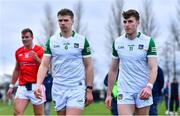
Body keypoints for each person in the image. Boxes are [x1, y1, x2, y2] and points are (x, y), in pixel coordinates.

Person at [34, 8, 94, 115]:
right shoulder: (52, 41)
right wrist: (38, 84)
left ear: (72, 21)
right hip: (58, 88)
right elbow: (44, 65)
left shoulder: (82, 40)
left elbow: (89, 66)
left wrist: (89, 89)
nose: (63, 23)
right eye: (60, 20)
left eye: (66, 20)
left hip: (76, 87)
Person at [105, 9, 158, 115]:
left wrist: (149, 87)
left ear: (138, 22)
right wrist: (109, 94)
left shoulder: (148, 42)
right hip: (124, 90)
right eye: (125, 22)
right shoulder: (117, 42)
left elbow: (153, 68)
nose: (127, 25)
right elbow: (113, 69)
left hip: (142, 90)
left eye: (130, 21)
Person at [7, 28, 45, 115]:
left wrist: (36, 59)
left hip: (37, 86)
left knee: (39, 114)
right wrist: (11, 86)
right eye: (23, 37)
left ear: (32, 37)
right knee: (17, 113)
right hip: (22, 87)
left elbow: (45, 68)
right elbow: (17, 69)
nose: (24, 39)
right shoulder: (18, 52)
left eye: (27, 37)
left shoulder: (40, 50)